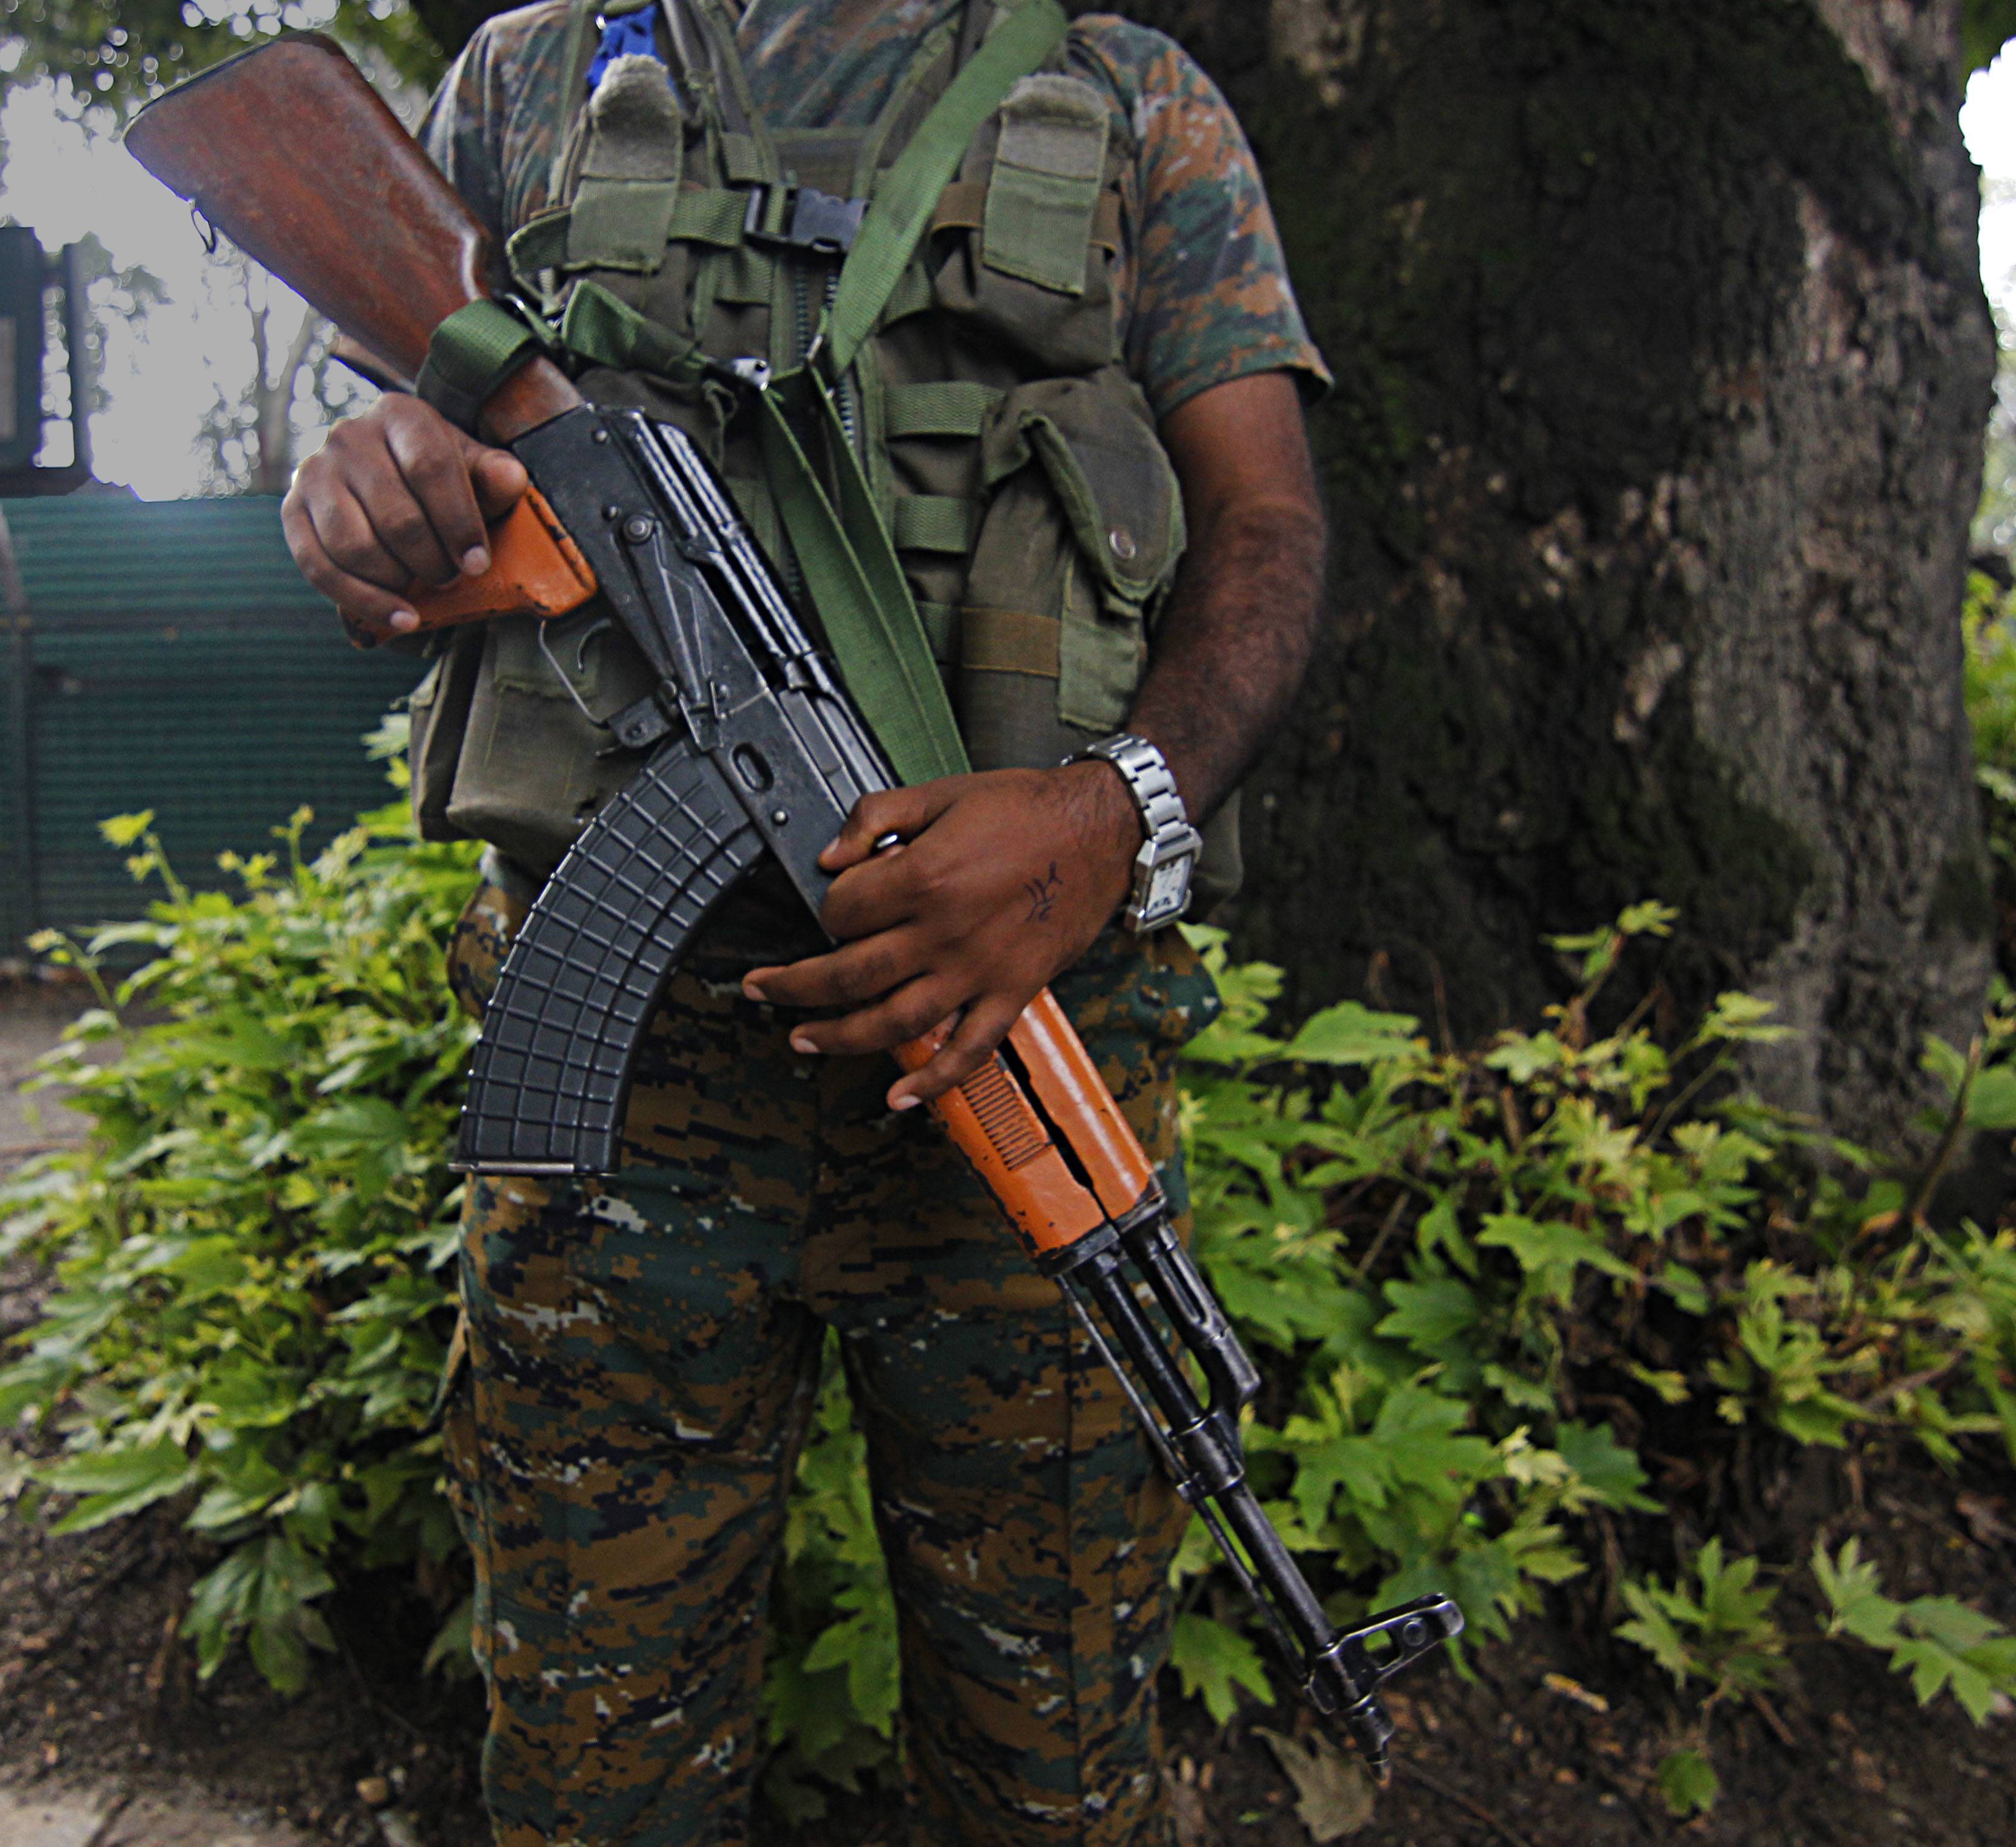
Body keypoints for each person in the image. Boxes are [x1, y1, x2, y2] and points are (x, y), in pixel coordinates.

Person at [281, 1, 1329, 1839]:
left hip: (1015, 1036)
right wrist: (365, 479)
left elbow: (1269, 524)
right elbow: (381, 402)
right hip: (623, 1101)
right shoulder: (532, 79)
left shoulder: (1132, 95)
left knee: (1054, 1784)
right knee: (596, 1785)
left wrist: (1111, 816)